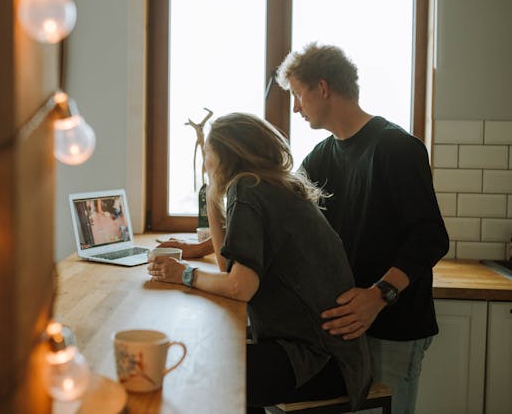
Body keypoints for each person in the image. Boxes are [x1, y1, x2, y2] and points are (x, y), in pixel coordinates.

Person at [148, 113, 372, 414]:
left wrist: (185, 275)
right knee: (213, 359)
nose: (205, 165)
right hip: (337, 361)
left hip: (315, 361)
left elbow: (240, 286)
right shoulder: (273, 185)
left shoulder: (248, 188)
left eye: (208, 155)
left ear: (227, 154)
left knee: (190, 369)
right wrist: (213, 193)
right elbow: (231, 269)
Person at [275, 43, 449, 414]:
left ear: (322, 88)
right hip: (347, 327)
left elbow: (431, 237)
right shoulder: (321, 155)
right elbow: (284, 217)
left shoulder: (397, 147)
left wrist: (378, 295)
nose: (295, 107)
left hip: (393, 324)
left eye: (296, 94)